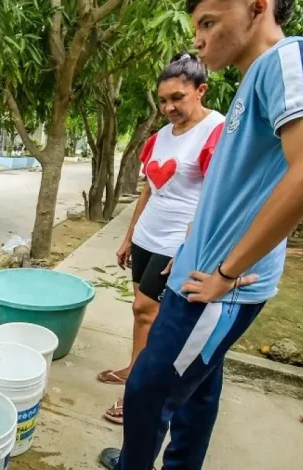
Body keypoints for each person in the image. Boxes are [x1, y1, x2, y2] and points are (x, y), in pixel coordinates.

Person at [100, 0, 303, 468]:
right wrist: (186, 250)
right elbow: (228, 197)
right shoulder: (254, 80)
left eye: (208, 23)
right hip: (197, 270)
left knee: (146, 392)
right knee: (197, 393)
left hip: (216, 290)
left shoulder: (290, 58)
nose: (198, 40)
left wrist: (226, 272)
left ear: (257, 7)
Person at [98, 53, 225, 425]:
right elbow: (148, 191)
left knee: (146, 311)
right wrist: (128, 236)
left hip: (178, 241)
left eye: (178, 98)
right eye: (164, 100)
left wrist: (190, 249)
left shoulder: (215, 130)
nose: (169, 107)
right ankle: (134, 371)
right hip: (148, 235)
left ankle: (138, 394)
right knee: (141, 313)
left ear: (200, 91)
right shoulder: (158, 139)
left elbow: (215, 195)